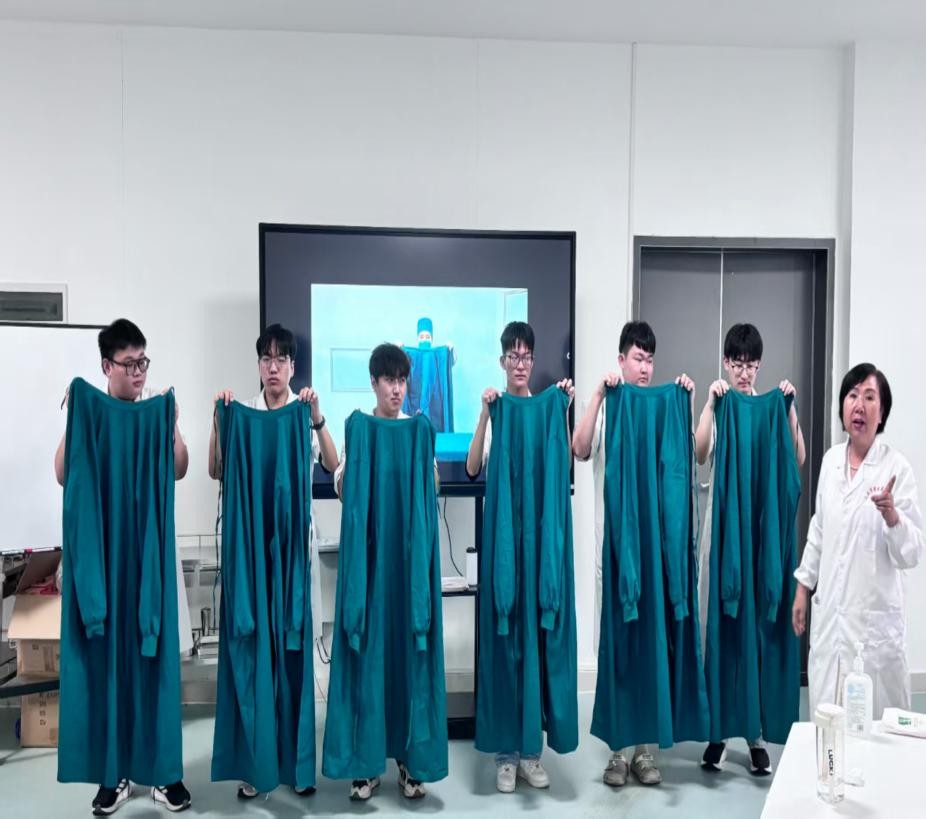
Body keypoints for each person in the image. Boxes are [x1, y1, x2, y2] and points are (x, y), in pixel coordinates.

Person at [54, 318, 192, 815]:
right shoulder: (90, 409)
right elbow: (63, 474)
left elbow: (179, 467)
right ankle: (113, 777)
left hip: (148, 556)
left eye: (143, 362)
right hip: (106, 559)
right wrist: (74, 420)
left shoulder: (155, 406)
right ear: (106, 366)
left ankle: (164, 775)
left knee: (156, 665)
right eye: (129, 363)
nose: (138, 372)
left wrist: (172, 426)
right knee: (109, 664)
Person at [207, 323, 337, 800]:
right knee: (252, 653)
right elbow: (215, 469)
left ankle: (298, 767)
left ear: (293, 366)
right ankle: (254, 765)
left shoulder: (302, 413)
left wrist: (318, 419)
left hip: (294, 556)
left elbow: (332, 464)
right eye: (267, 359)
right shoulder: (242, 412)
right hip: (250, 556)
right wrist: (218, 421)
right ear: (259, 365)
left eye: (282, 359)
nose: (274, 367)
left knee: (295, 656)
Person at [573, 320, 694, 788]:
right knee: (619, 650)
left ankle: (644, 751)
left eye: (650, 360)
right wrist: (597, 395)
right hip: (615, 553)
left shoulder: (663, 405)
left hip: (653, 554)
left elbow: (687, 458)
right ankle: (617, 754)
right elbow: (580, 448)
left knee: (649, 647)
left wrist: (684, 399)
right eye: (637, 358)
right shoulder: (611, 404)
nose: (645, 368)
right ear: (621, 360)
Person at [324, 343, 446, 801]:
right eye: (389, 381)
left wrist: (424, 469)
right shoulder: (359, 430)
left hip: (408, 569)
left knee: (408, 663)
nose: (397, 389)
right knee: (370, 661)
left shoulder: (418, 432)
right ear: (374, 383)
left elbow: (432, 486)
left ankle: (409, 762)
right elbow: (343, 487)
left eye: (402, 381)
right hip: (371, 569)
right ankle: (366, 765)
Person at [466, 321, 575, 794]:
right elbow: (472, 467)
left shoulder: (548, 406)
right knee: (505, 644)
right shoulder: (498, 409)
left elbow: (565, 465)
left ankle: (532, 754)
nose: (520, 363)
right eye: (512, 356)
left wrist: (563, 412)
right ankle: (506, 756)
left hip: (539, 550)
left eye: (526, 355)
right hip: (505, 552)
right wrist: (485, 415)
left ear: (533, 360)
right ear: (502, 361)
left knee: (537, 646)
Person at [693, 323, 805, 775]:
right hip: (723, 537)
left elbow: (797, 457)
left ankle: (755, 735)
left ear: (759, 365)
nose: (744, 372)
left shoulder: (771, 407)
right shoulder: (722, 403)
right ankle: (719, 731)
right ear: (726, 362)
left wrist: (790, 409)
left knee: (758, 629)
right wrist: (709, 402)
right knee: (721, 629)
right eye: (737, 364)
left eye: (751, 365)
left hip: (760, 538)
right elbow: (700, 452)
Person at [793, 363, 924, 717]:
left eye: (869, 397)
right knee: (828, 724)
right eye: (852, 396)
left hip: (873, 630)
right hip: (831, 622)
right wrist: (803, 588)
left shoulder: (896, 468)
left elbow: (912, 553)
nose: (859, 406)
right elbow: (819, 530)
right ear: (842, 407)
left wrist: (892, 516)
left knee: (876, 727)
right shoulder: (831, 462)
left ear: (882, 413)